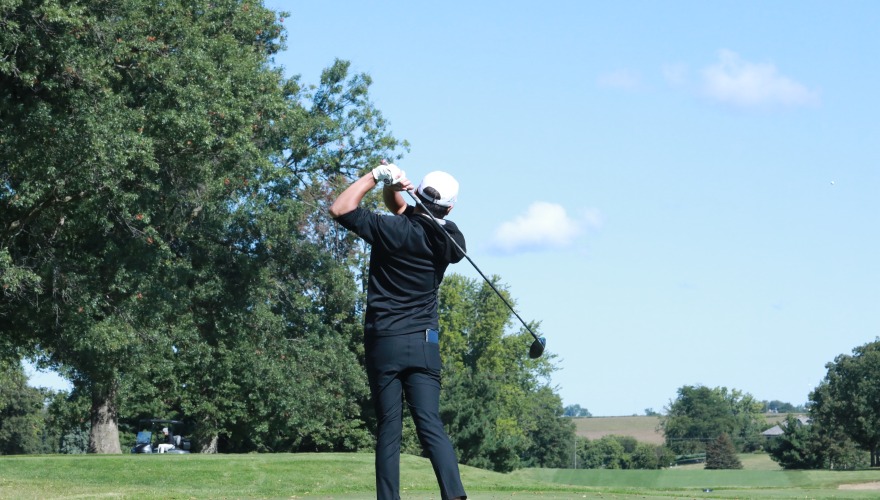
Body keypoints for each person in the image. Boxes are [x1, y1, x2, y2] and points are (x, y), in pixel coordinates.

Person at [329, 164, 467, 500]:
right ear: (449, 208)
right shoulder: (452, 241)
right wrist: (396, 190)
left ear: (418, 194)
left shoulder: (387, 228)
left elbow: (340, 208)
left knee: (389, 430)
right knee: (430, 425)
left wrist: (376, 177)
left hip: (385, 343)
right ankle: (455, 495)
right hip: (423, 344)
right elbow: (412, 214)